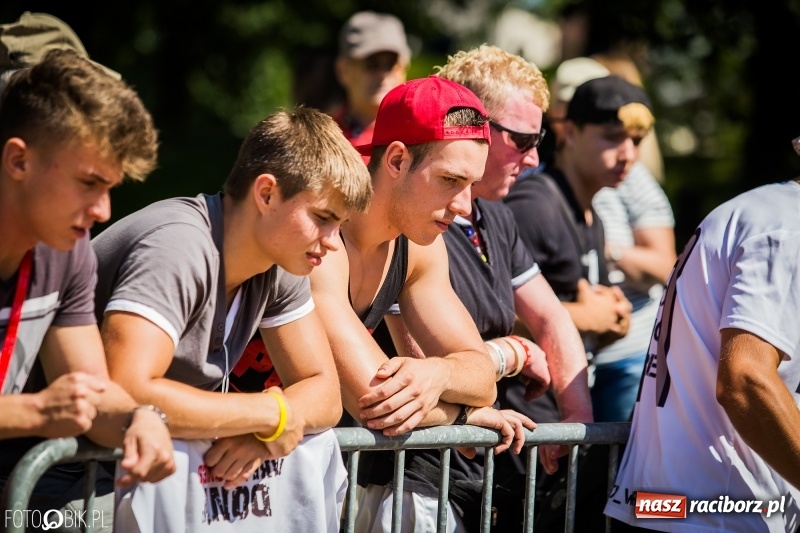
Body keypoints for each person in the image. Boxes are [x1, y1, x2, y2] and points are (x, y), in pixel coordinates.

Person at [91, 107, 372, 529]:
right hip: (65, 481)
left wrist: (264, 432)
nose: (333, 243)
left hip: (140, 478)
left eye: (340, 225)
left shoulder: (283, 260)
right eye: (322, 218)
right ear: (266, 194)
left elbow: (324, 394)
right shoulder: (179, 246)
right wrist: (269, 416)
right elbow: (127, 389)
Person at [362, 44, 594, 531]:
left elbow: (540, 329)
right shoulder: (380, 229)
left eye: (541, 139)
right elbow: (389, 389)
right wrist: (506, 356)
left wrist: (576, 429)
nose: (534, 158)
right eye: (524, 138)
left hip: (476, 465)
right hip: (405, 473)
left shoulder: (474, 225)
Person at [0, 47, 174, 531]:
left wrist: (142, 418)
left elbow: (92, 393)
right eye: (89, 183)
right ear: (19, 160)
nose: (103, 211)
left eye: (111, 187)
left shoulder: (65, 248)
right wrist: (31, 411)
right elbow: (50, 408)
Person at [605, 172, 800, 532]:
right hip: (718, 510)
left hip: (663, 503)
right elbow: (746, 381)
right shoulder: (790, 228)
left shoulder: (755, 210)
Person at [547, 57, 677, 422]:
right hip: (566, 357)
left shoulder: (633, 179)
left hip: (630, 356)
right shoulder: (536, 186)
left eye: (635, 141)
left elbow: (666, 264)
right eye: (612, 136)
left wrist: (606, 252)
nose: (628, 154)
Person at [332, 10, 411, 149]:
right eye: (372, 64)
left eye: (391, 64)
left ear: (403, 69)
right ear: (343, 71)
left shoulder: (420, 137)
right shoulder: (321, 139)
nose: (383, 75)